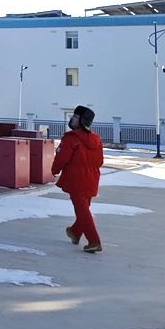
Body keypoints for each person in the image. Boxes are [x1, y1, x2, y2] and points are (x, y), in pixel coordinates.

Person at [52, 104, 104, 253]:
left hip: (76, 180)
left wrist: (54, 170)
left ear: (82, 120)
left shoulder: (71, 139)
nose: (72, 119)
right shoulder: (96, 139)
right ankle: (75, 232)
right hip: (92, 180)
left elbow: (62, 158)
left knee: (82, 211)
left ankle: (94, 241)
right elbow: (100, 162)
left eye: (75, 117)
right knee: (84, 209)